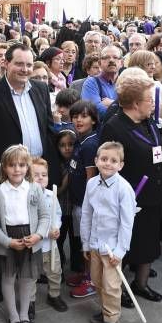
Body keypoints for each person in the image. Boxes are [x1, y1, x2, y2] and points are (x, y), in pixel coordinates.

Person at [0, 42, 60, 303]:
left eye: (29, 64)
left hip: (35, 171)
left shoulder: (41, 89)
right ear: (6, 63)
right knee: (1, 224)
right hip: (4, 172)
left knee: (30, 220)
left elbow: (46, 129)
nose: (25, 69)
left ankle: (29, 272)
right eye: (19, 64)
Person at [98, 68, 162, 302]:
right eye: (150, 99)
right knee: (126, 246)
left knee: (148, 242)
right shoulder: (115, 126)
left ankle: (141, 284)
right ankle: (119, 287)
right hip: (128, 198)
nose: (154, 103)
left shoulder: (148, 122)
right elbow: (108, 165)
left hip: (153, 195)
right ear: (136, 103)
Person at [0, 145, 51, 323]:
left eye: (21, 165)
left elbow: (44, 216)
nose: (17, 169)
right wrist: (7, 241)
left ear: (27, 167)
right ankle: (13, 315)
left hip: (30, 238)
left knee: (27, 279)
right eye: (12, 165)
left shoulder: (34, 189)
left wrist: (38, 235)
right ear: (4, 167)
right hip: (9, 239)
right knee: (8, 278)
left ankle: (24, 315)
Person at [80, 141, 136, 323]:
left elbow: (127, 223)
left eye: (113, 161)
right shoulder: (91, 184)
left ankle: (111, 319)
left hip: (112, 248)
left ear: (121, 164)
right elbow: (86, 213)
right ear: (96, 161)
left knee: (111, 285)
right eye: (104, 159)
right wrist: (86, 243)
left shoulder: (124, 189)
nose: (108, 164)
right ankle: (105, 310)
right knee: (97, 281)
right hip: (95, 243)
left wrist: (121, 250)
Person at [65, 100, 100, 298]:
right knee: (83, 242)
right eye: (75, 116)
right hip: (77, 201)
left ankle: (91, 281)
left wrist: (88, 207)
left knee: (88, 242)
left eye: (84, 116)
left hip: (86, 205)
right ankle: (85, 273)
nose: (79, 120)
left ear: (94, 120)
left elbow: (91, 178)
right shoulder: (81, 139)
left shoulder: (91, 144)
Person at [30, 157, 67, 312]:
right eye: (36, 175)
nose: (40, 178)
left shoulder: (52, 194)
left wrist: (56, 227)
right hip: (35, 245)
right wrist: (46, 233)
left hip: (51, 245)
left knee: (54, 270)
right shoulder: (28, 197)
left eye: (44, 175)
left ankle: (54, 295)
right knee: (31, 275)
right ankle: (29, 301)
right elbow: (32, 222)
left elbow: (57, 213)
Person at [81, 45, 122, 119]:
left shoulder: (126, 83)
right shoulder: (91, 83)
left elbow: (135, 111)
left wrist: (112, 103)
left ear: (121, 63)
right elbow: (94, 111)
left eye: (115, 57)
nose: (111, 60)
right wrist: (121, 107)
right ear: (99, 63)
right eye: (106, 57)